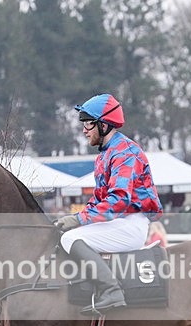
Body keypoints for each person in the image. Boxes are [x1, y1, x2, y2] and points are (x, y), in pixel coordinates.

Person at [54, 93, 163, 313]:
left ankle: (111, 291)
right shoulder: (106, 154)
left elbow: (119, 200)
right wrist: (77, 218)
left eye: (88, 123)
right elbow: (99, 200)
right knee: (66, 235)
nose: (84, 129)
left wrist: (78, 220)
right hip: (120, 223)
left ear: (104, 125)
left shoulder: (125, 152)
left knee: (71, 237)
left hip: (130, 225)